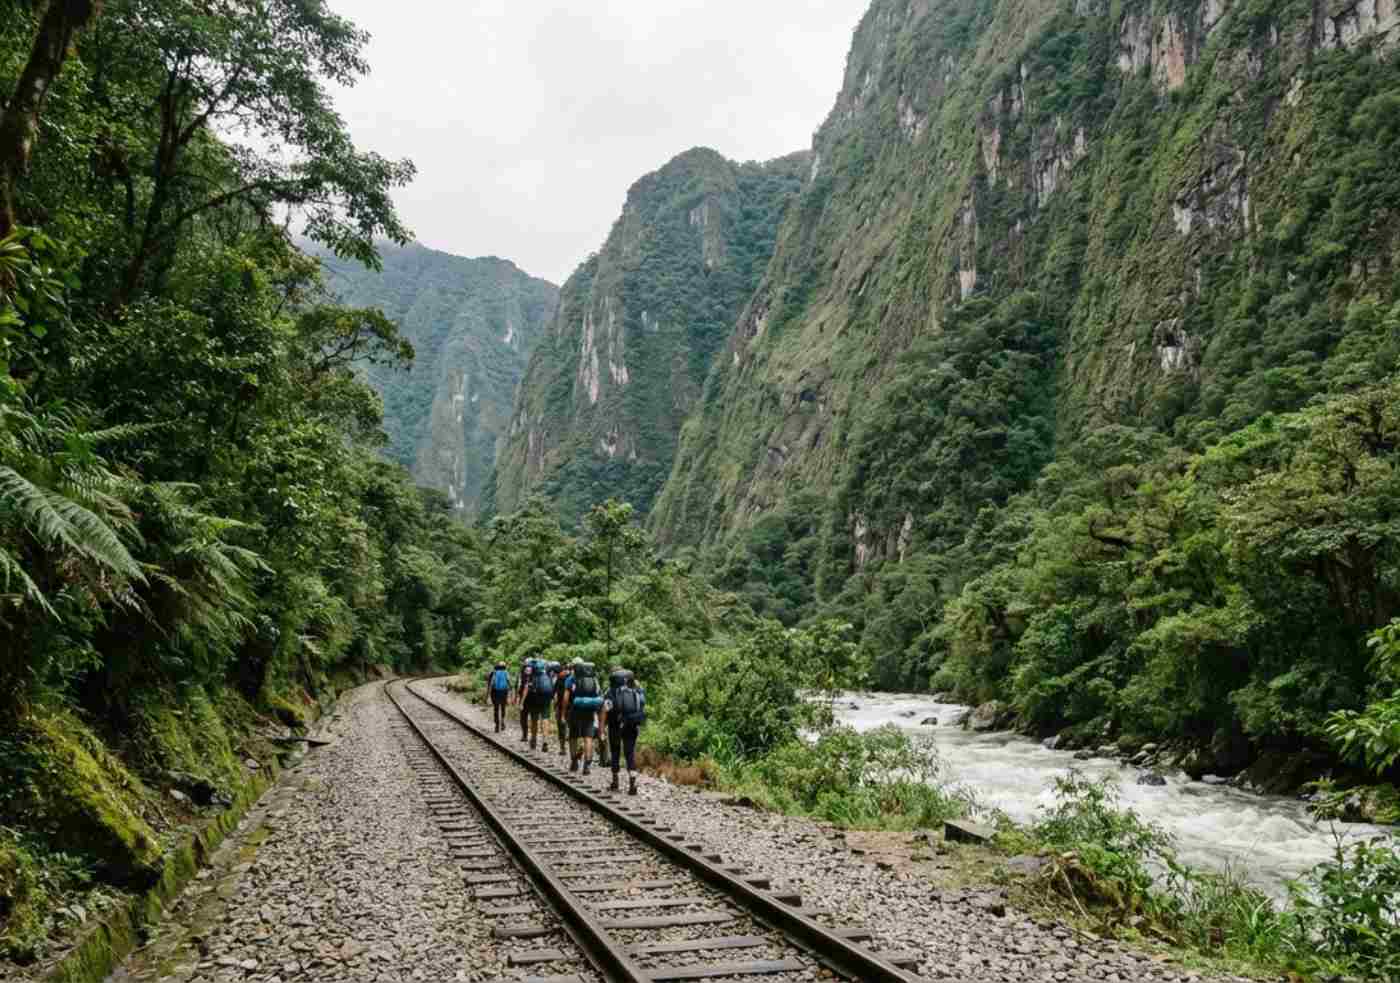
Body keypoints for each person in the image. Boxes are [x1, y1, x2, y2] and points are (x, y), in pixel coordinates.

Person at [601, 668, 645, 795]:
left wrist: (602, 729)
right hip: (631, 725)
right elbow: (641, 705)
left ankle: (615, 782)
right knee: (629, 754)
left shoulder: (610, 692)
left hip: (615, 726)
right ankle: (633, 783)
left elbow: (605, 709)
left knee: (615, 752)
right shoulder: (636, 690)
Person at [564, 660, 603, 774]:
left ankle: (574, 761)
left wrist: (564, 712)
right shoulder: (594, 679)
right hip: (589, 711)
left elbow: (566, 698)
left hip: (575, 710)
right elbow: (599, 695)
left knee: (573, 736)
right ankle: (587, 765)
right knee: (588, 737)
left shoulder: (571, 679)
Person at [523, 657, 554, 751]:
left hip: (534, 700)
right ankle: (545, 741)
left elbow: (526, 689)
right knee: (545, 719)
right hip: (546, 699)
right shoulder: (547, 675)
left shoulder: (532, 676)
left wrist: (521, 702)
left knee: (534, 720)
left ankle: (533, 739)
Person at [552, 662, 573, 759]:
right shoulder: (573, 678)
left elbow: (555, 695)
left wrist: (555, 706)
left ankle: (562, 748)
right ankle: (574, 750)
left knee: (561, 727)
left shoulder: (559, 679)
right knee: (573, 729)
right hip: (573, 707)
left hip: (562, 706)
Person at [485, 661, 512, 733]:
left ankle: (497, 725)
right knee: (503, 708)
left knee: (496, 709)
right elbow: (509, 682)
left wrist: (488, 695)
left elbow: (491, 684)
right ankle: (502, 722)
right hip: (504, 692)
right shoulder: (506, 672)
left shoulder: (494, 672)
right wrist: (510, 694)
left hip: (495, 692)